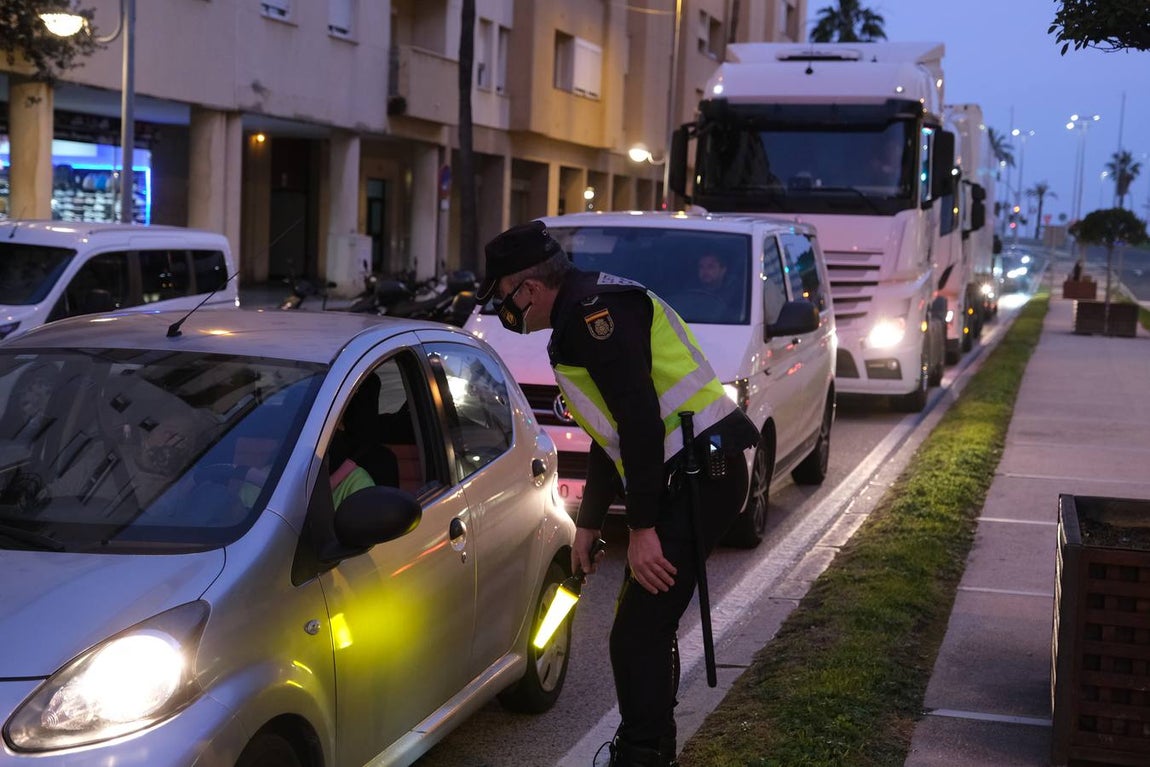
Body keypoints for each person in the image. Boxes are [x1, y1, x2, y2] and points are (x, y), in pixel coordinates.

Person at [478, 221, 759, 767]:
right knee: (642, 628)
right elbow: (610, 433)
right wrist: (589, 520)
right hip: (692, 472)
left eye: (504, 295)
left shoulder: (592, 318)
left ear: (530, 287)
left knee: (637, 634)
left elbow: (640, 422)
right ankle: (650, 748)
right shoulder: (584, 308)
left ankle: (642, 755)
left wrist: (642, 529)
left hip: (702, 475)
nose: (503, 309)